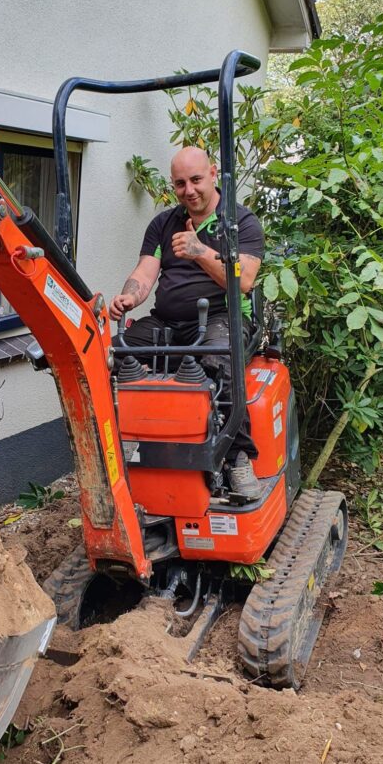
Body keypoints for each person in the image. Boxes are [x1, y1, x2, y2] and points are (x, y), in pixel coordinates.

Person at [109, 146, 264, 500]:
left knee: (218, 358)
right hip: (167, 320)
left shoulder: (241, 222)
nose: (189, 190)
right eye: (180, 184)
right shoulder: (164, 223)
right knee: (111, 354)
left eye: (195, 180)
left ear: (213, 173)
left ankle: (237, 457)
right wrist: (130, 296)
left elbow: (244, 280)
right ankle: (132, 448)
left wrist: (200, 250)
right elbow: (146, 272)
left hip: (223, 318)